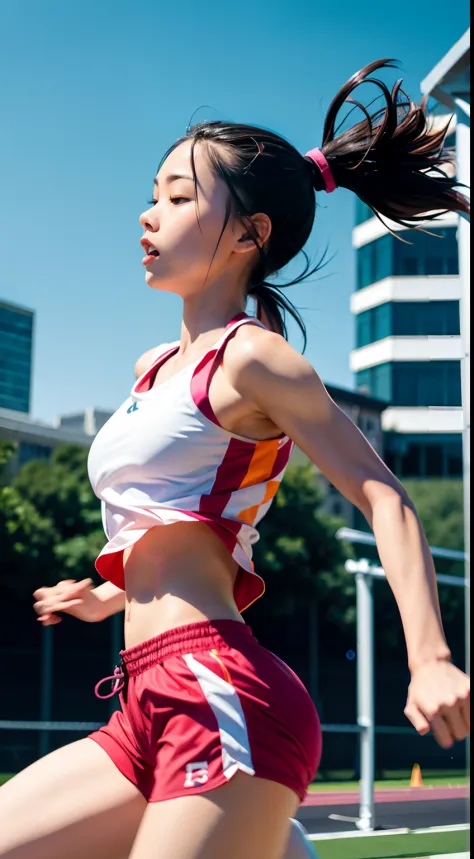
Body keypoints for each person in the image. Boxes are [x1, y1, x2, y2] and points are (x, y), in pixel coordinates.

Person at [0, 59, 470, 859]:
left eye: (180, 197)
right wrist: (108, 595)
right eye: (154, 193)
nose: (150, 214)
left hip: (218, 688)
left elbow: (384, 498)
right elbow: (199, 522)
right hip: (141, 697)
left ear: (252, 234)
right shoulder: (151, 367)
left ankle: (256, 821)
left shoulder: (253, 359)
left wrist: (430, 658)